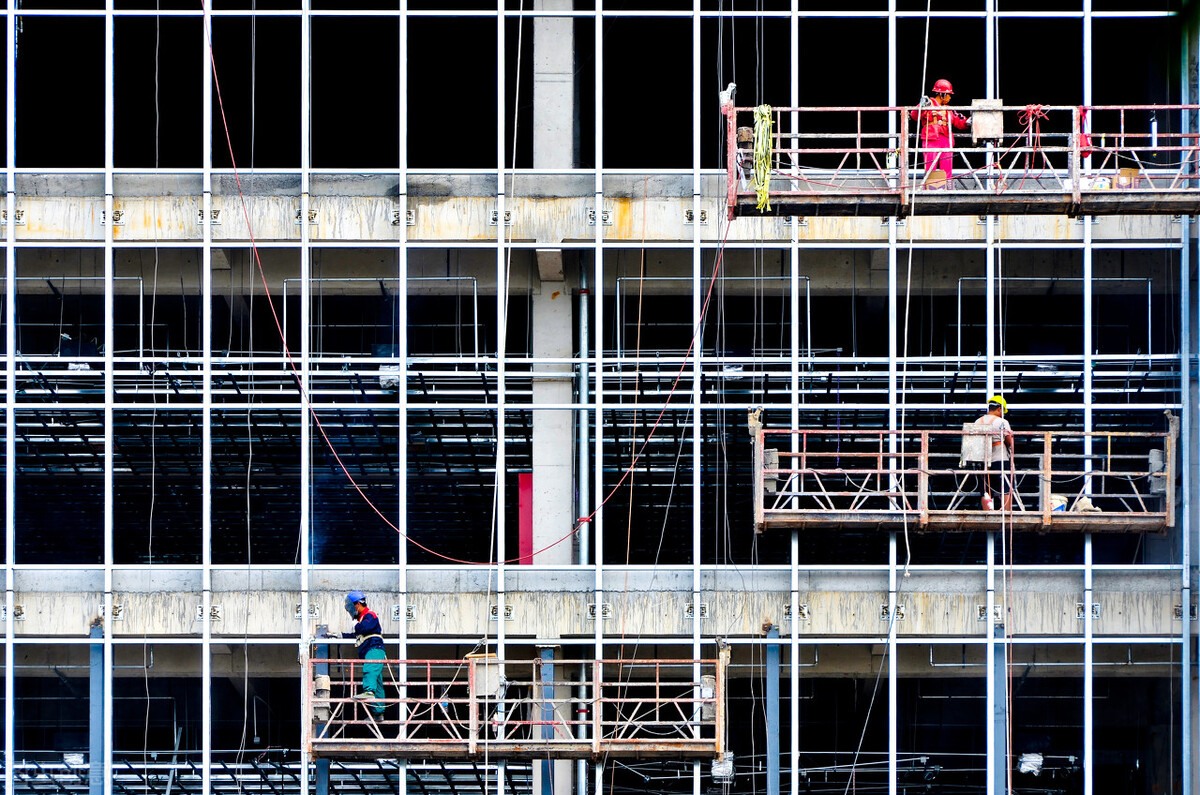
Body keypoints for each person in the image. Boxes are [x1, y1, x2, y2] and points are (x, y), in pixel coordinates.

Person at [911, 79, 971, 185]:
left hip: (946, 140)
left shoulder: (949, 109)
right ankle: (929, 190)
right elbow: (915, 116)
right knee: (930, 168)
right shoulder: (927, 104)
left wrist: (969, 122)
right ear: (942, 94)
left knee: (947, 169)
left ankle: (947, 190)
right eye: (948, 95)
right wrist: (921, 105)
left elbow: (959, 121)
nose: (950, 97)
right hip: (931, 139)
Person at [342, 590, 386, 719]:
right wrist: (340, 636)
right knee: (377, 682)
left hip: (374, 649)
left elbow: (364, 629)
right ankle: (378, 712)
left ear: (356, 605)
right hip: (371, 650)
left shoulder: (369, 615)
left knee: (370, 669)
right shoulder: (362, 619)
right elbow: (358, 634)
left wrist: (356, 625)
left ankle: (368, 691)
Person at [973, 395, 1014, 510]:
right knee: (1006, 487)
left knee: (985, 489)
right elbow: (1010, 441)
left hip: (982, 460)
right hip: (1000, 458)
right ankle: (1006, 512)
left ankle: (987, 513)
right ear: (999, 409)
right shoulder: (1002, 422)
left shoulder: (978, 421)